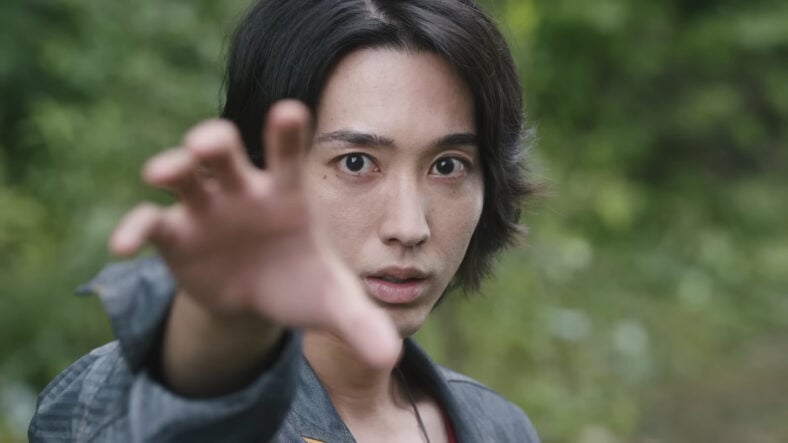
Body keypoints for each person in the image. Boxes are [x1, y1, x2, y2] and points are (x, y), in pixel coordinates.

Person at [29, 0, 540, 441]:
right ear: (263, 170)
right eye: (356, 162)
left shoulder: (499, 427)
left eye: (447, 166)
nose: (409, 227)